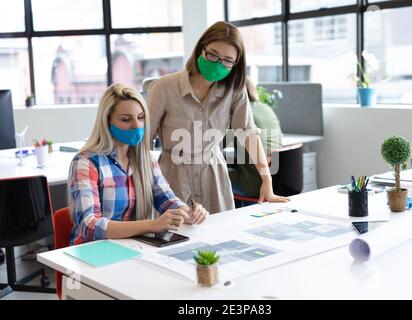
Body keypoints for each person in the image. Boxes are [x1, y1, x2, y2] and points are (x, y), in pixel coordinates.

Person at [148, 21, 289, 214]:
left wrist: (267, 180)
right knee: (174, 238)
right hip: (173, 178)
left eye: (227, 60)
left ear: (235, 64)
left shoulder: (234, 90)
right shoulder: (164, 87)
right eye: (213, 54)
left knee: (220, 237)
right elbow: (143, 142)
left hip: (213, 178)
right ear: (201, 49)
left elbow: (248, 132)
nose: (218, 63)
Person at [68, 84, 208, 245]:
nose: (136, 125)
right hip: (93, 252)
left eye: (141, 117)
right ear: (108, 121)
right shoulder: (86, 162)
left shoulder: (146, 159)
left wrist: (187, 213)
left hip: (133, 247)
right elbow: (90, 226)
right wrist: (152, 225)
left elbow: (166, 199)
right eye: (126, 119)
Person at [228, 77, 283, 198]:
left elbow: (217, 145)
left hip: (255, 183)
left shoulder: (241, 113)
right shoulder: (266, 108)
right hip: (277, 179)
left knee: (213, 174)